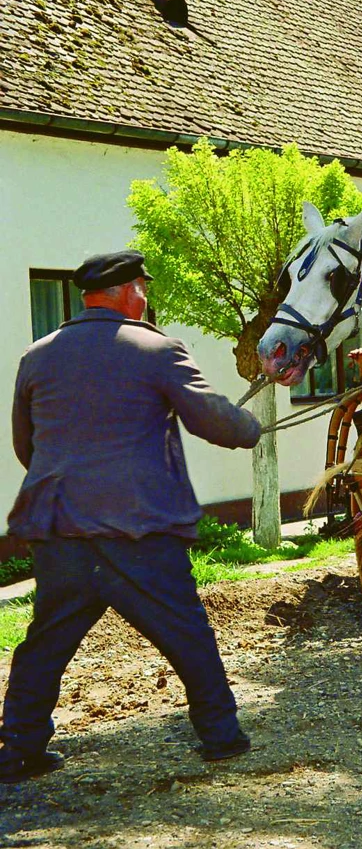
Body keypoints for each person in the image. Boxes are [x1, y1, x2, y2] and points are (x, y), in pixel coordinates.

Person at [1, 251, 262, 784]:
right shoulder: (156, 348)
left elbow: (27, 446)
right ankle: (220, 735)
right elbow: (211, 418)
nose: (144, 295)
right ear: (128, 292)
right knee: (185, 631)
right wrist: (251, 428)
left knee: (46, 641)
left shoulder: (38, 355)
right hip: (137, 529)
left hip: (60, 526)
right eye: (142, 286)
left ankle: (16, 750)